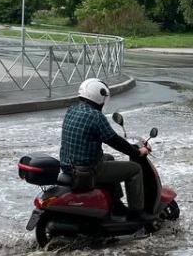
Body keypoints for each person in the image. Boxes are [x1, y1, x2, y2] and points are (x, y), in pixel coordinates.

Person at [60, 78, 151, 220]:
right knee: (134, 169)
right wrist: (137, 152)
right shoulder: (96, 116)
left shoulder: (72, 109)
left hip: (68, 166)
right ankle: (136, 214)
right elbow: (114, 140)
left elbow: (104, 135)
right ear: (100, 96)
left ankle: (116, 203)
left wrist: (128, 143)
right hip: (87, 171)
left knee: (109, 158)